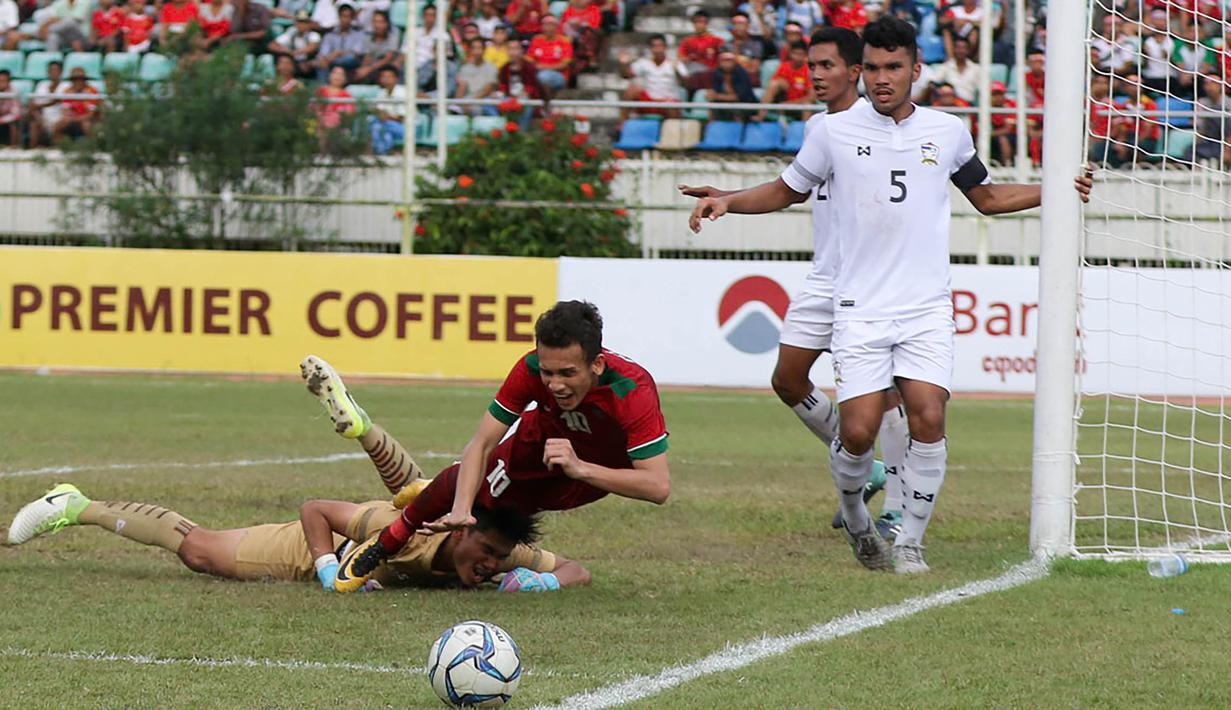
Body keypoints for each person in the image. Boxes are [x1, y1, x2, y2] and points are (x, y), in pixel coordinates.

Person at [688, 16, 1093, 573]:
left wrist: (1057, 189)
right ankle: (857, 518)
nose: (883, 79)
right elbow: (786, 190)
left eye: (893, 68)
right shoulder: (832, 132)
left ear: (915, 70)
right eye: (874, 68)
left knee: (929, 415)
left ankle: (910, 541)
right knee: (857, 432)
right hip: (859, 306)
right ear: (863, 71)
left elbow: (988, 196)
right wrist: (730, 199)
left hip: (926, 307)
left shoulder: (947, 131)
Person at [682, 28, 907, 544]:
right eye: (812, 66)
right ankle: (859, 462)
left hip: (876, 283)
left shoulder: (883, 125)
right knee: (787, 379)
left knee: (889, 393)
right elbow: (788, 190)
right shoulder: (819, 127)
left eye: (828, 65)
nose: (817, 75)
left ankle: (895, 508)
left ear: (856, 71)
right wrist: (729, 198)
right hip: (826, 276)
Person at [330, 301, 672, 592]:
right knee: (470, 484)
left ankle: (426, 491)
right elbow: (481, 443)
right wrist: (462, 509)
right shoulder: (529, 368)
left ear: (596, 364)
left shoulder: (632, 389)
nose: (555, 385)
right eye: (548, 373)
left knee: (496, 504)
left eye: (568, 373)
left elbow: (657, 486)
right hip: (533, 449)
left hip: (588, 477)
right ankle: (389, 540)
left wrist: (580, 467)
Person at [7, 468, 588, 592]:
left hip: (358, 557)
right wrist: (325, 564)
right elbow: (315, 507)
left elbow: (578, 570)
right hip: (321, 547)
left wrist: (542, 584)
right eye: (485, 552)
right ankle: (75, 504)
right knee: (201, 553)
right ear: (459, 532)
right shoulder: (402, 532)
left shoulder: (505, 555)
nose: (490, 565)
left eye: (498, 558)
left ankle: (362, 423)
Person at [617, 33, 684, 123]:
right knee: (631, 90)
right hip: (649, 101)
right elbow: (626, 76)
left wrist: (677, 72)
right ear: (650, 48)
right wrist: (624, 64)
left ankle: (671, 133)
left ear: (665, 47)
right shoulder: (644, 63)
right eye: (654, 46)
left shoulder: (675, 64)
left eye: (660, 46)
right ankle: (621, 126)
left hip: (668, 102)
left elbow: (686, 83)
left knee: (672, 106)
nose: (657, 50)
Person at [755, 40, 814, 122]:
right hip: (782, 104)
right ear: (790, 54)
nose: (797, 57)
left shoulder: (808, 71)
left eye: (801, 54)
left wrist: (789, 104)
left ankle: (804, 129)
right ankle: (760, 116)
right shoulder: (784, 66)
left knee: (808, 104)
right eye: (795, 53)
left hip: (799, 106)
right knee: (774, 83)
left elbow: (811, 97)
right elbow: (773, 86)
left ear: (805, 55)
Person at [678, 9, 722, 94]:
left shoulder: (716, 41)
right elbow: (681, 58)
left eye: (702, 22)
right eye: (696, 22)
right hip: (692, 74)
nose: (699, 25)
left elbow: (722, 59)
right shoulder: (687, 41)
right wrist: (687, 59)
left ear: (707, 23)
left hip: (710, 76)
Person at [527, 14, 572, 98]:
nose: (549, 28)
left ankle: (547, 100)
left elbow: (564, 64)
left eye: (552, 25)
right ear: (542, 27)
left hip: (559, 75)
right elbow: (529, 59)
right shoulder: (536, 39)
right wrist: (536, 67)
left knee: (543, 76)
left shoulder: (564, 41)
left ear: (557, 27)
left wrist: (542, 67)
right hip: (538, 72)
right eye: (546, 25)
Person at [706, 48, 757, 120]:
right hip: (724, 103)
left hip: (745, 104)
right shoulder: (717, 73)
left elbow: (739, 97)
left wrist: (717, 96)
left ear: (734, 62)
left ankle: (738, 129)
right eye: (724, 61)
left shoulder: (741, 74)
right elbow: (715, 90)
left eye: (729, 61)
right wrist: (711, 93)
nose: (727, 64)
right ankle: (710, 128)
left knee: (737, 109)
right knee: (712, 106)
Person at [268, 9, 321, 78]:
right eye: (299, 22)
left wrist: (294, 52)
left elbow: (312, 47)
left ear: (309, 24)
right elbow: (272, 45)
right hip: (295, 62)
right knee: (283, 61)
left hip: (308, 62)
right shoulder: (292, 32)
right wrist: (284, 50)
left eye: (304, 22)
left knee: (311, 64)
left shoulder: (313, 35)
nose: (301, 25)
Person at [353, 8, 401, 83]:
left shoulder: (393, 38)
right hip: (372, 68)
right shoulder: (368, 39)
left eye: (381, 22)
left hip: (388, 68)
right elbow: (367, 58)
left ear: (386, 23)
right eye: (375, 22)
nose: (377, 25)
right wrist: (362, 69)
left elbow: (388, 58)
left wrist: (368, 69)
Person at [454, 36, 498, 114]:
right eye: (474, 48)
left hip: (483, 101)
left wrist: (470, 102)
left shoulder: (492, 67)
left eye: (479, 48)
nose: (476, 51)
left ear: (484, 50)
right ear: (470, 50)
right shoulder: (465, 68)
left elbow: (487, 90)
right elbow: (461, 88)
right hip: (466, 100)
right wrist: (459, 103)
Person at [929, 35, 979, 104]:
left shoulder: (976, 69)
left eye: (964, 48)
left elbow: (982, 89)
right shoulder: (946, 66)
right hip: (948, 104)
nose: (961, 51)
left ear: (968, 50)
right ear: (954, 49)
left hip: (968, 106)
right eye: (958, 47)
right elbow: (932, 83)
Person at [52, 66, 98, 141]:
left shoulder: (92, 91)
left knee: (87, 125)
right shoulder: (67, 91)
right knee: (58, 125)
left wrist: (74, 119)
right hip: (71, 119)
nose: (78, 81)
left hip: (85, 119)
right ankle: (56, 148)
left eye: (80, 79)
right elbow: (65, 109)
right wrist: (68, 117)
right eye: (75, 79)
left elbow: (91, 114)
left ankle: (92, 147)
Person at [369, 64, 406, 154]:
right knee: (381, 129)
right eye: (383, 76)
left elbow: (402, 118)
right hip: (388, 125)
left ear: (396, 78)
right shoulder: (381, 93)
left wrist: (386, 116)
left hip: (406, 127)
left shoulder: (403, 92)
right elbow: (379, 111)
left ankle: (381, 153)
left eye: (389, 76)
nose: (386, 79)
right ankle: (383, 153)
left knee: (377, 126)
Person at [0, 69, 21, 147]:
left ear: (9, 82)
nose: (1, 83)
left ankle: (14, 147)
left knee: (13, 124)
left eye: (3, 81)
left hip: (8, 120)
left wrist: (2, 120)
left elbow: (16, 114)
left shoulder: (14, 92)